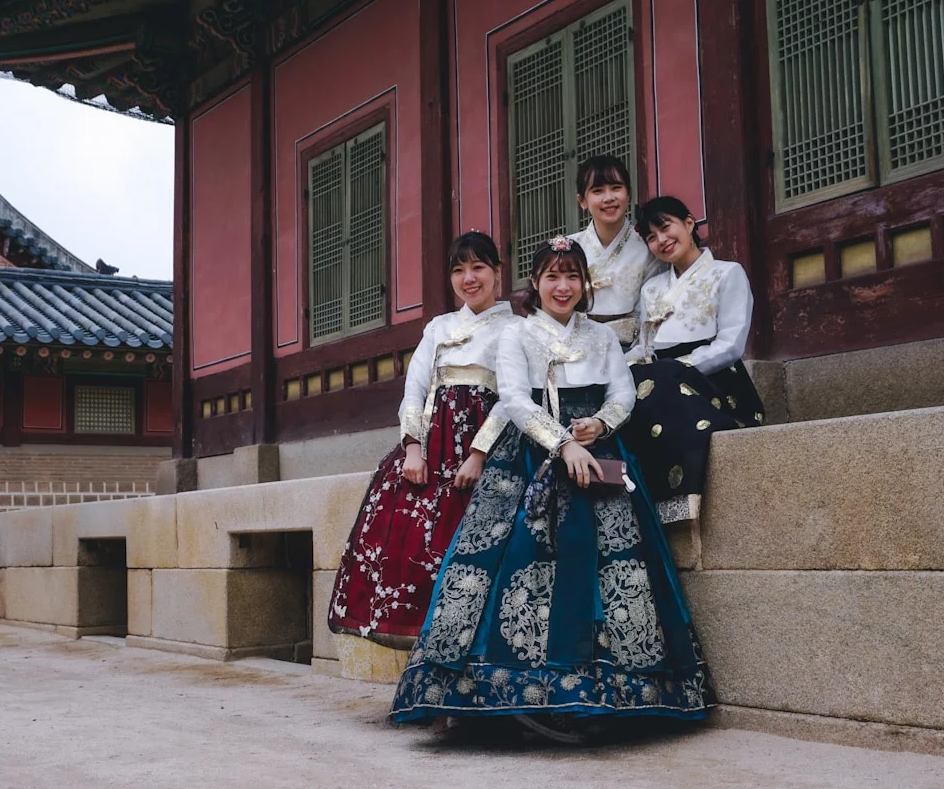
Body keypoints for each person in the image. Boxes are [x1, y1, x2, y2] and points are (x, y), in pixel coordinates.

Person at [389, 235, 715, 740]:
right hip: (528, 456)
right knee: (510, 559)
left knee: (617, 565)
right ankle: (506, 696)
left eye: (571, 277)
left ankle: (616, 694)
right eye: (552, 277)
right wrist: (563, 444)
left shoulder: (601, 337)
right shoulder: (518, 334)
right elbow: (516, 399)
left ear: (584, 284)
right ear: (535, 283)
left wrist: (600, 425)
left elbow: (622, 392)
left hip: (599, 452)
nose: (562, 287)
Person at [328, 232, 515, 649]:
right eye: (459, 270)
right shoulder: (438, 327)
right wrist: (413, 447)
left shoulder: (516, 329)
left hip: (487, 446)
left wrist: (479, 453)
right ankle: (421, 647)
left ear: (498, 272)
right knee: (408, 543)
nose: (469, 278)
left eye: (478, 267)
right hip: (432, 446)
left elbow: (512, 398)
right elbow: (414, 387)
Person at [622, 196, 765, 518]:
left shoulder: (727, 273)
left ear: (689, 223)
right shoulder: (652, 289)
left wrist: (680, 367)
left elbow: (731, 344)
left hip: (712, 377)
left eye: (665, 227)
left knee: (660, 386)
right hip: (659, 376)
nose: (661, 240)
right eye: (651, 237)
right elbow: (644, 346)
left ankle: (680, 505)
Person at [568, 154, 663, 347]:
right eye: (598, 191)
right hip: (576, 348)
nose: (609, 198)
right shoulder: (567, 248)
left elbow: (650, 314)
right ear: (582, 201)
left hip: (631, 350)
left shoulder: (648, 248)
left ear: (629, 194)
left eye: (616, 188)